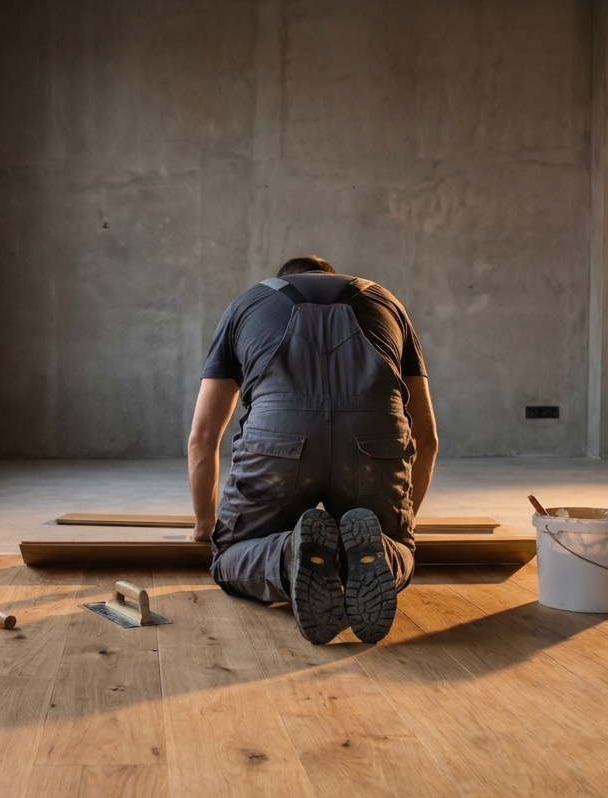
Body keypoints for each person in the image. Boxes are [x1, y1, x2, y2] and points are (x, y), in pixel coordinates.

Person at [187, 256, 438, 644]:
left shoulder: (248, 303)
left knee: (230, 558)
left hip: (279, 443)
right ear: (331, 276)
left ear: (284, 278)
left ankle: (289, 555)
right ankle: (381, 552)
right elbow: (426, 435)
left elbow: (203, 436)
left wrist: (205, 527)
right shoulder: (385, 301)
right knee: (395, 549)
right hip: (373, 443)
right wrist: (403, 528)